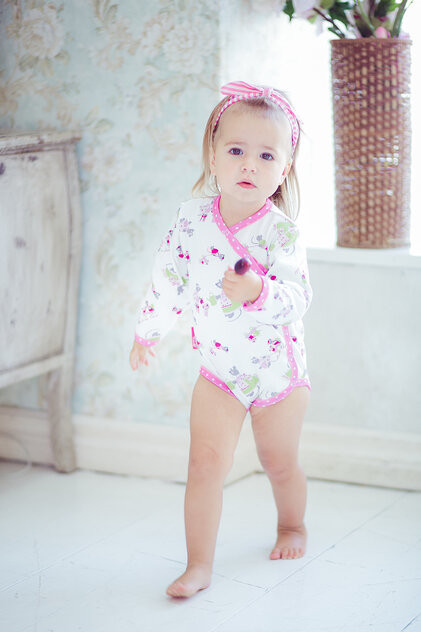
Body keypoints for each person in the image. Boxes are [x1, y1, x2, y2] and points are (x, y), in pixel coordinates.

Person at [129, 81, 313, 599]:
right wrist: (147, 331)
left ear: (284, 169)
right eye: (235, 151)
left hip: (277, 373)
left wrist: (258, 292)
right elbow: (168, 279)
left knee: (279, 462)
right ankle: (199, 565)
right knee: (204, 463)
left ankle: (292, 524)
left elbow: (297, 298)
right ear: (212, 157)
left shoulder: (282, 234)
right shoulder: (190, 221)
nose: (249, 164)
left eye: (266, 155)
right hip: (219, 371)